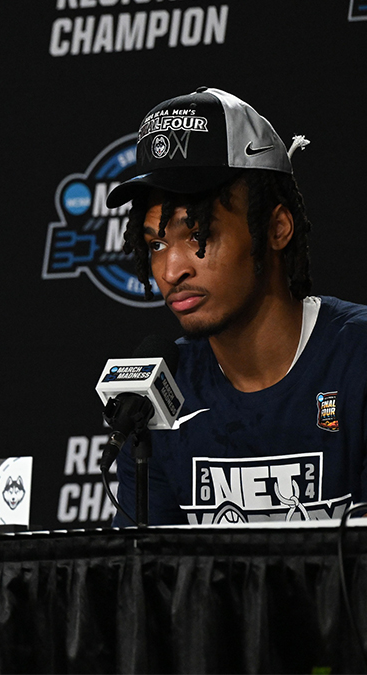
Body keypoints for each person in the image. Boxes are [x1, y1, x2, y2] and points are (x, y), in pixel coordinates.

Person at [105, 87, 367, 525]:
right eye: (156, 243)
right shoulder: (159, 394)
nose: (171, 270)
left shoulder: (357, 357)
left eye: (198, 235)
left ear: (276, 228)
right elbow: (141, 583)